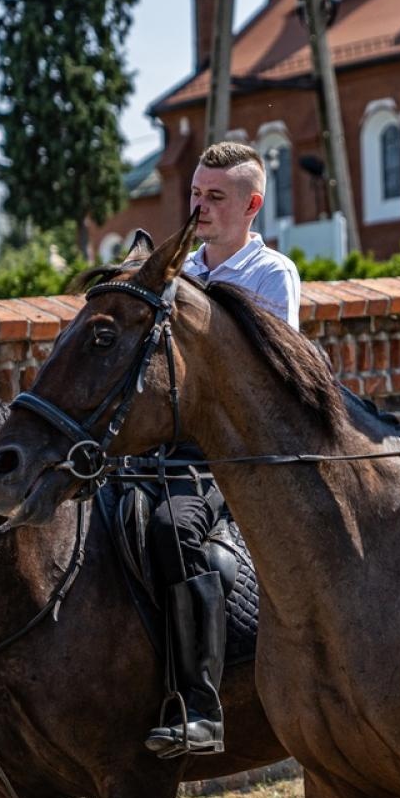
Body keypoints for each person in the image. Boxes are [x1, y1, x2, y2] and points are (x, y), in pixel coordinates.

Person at [144, 141, 303, 758]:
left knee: (173, 527)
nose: (200, 207)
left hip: (229, 454)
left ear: (251, 205)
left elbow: (264, 378)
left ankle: (200, 708)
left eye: (215, 197)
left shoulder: (270, 274)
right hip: (162, 444)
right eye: (195, 195)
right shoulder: (177, 275)